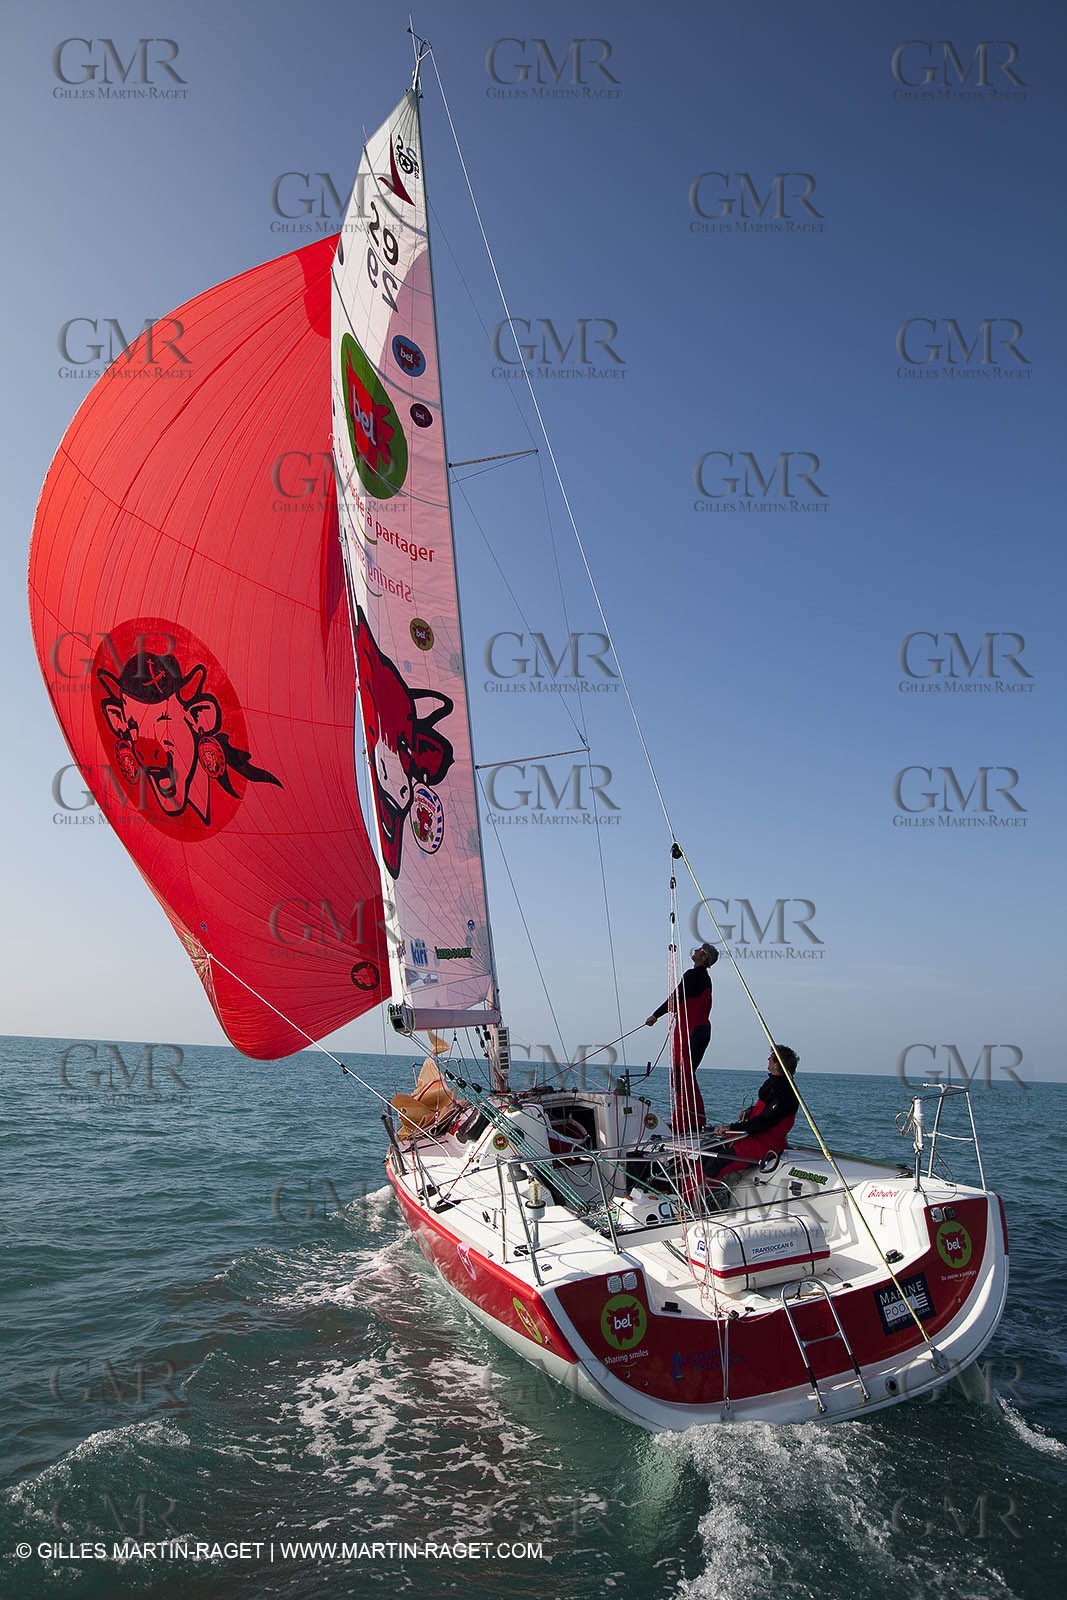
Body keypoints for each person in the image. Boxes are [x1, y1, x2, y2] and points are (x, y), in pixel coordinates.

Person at [645, 943, 718, 1134]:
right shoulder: (705, 978)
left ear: (704, 957)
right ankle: (695, 1120)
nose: (695, 951)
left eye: (699, 950)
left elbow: (676, 997)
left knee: (681, 1076)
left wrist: (655, 1015)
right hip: (701, 1031)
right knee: (686, 1076)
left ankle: (684, 1123)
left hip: (692, 1031)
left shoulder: (693, 975)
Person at [702, 1045, 800, 1183]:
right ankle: (689, 1188)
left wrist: (732, 1127)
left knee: (714, 1165)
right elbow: (766, 1111)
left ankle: (700, 1194)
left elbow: (763, 1122)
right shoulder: (773, 1084)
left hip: (764, 1145)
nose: (768, 1059)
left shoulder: (785, 1093)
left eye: (771, 1057)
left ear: (778, 1064)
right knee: (705, 1154)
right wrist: (749, 1111)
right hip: (751, 1138)